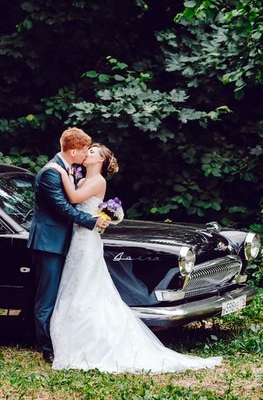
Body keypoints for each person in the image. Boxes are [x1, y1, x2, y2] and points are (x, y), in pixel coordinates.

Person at [48, 143, 222, 373]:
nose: (87, 153)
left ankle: (95, 340)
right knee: (74, 283)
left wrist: (60, 170)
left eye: (92, 152)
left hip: (88, 240)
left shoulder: (98, 181)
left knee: (87, 284)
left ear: (100, 160)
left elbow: (73, 198)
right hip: (76, 238)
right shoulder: (80, 180)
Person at [27, 127, 110, 364]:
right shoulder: (52, 172)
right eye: (85, 150)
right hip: (49, 242)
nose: (86, 154)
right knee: (47, 298)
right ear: (74, 151)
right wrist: (92, 221)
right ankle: (47, 348)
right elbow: (63, 207)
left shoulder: (67, 169)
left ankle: (62, 340)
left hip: (66, 241)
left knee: (63, 293)